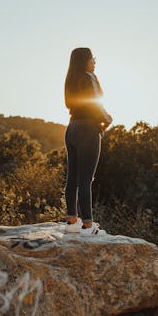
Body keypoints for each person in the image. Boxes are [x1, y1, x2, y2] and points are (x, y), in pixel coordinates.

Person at [63, 47, 113, 235]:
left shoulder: (70, 79)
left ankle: (71, 221)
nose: (94, 62)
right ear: (85, 60)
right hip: (87, 130)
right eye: (92, 59)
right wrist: (107, 119)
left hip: (72, 128)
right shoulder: (89, 77)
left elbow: (72, 104)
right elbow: (95, 103)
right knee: (85, 180)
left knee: (72, 179)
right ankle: (87, 226)